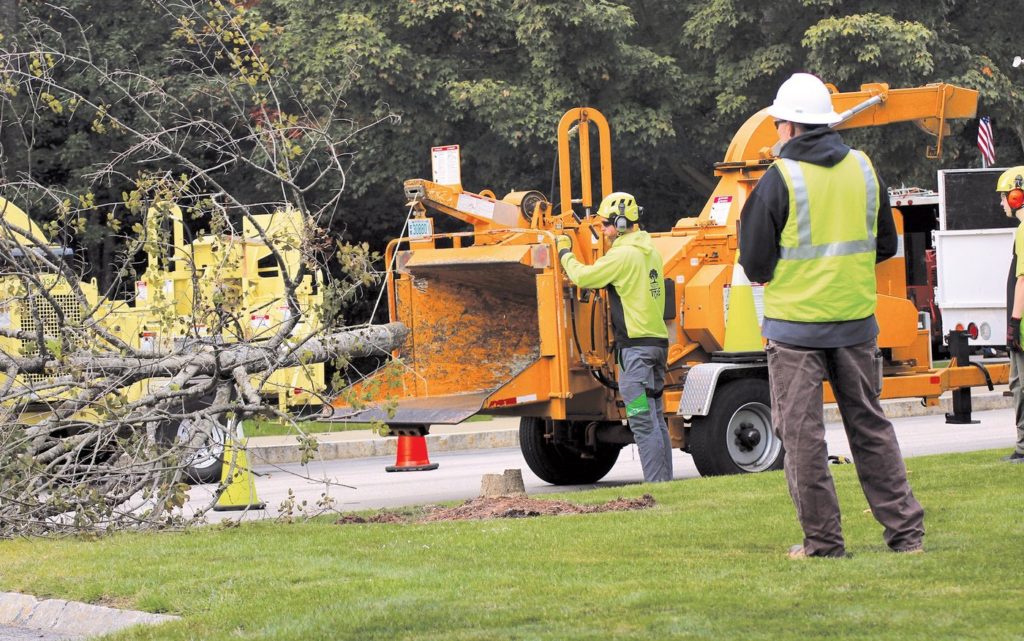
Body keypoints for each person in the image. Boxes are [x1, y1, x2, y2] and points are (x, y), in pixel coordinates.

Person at [738, 72, 924, 558]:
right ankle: (906, 537)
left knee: (802, 438)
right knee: (871, 427)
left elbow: (755, 263)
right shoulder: (863, 168)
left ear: (789, 127)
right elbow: (886, 244)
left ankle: (824, 544)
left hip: (795, 332)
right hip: (857, 325)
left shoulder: (778, 179)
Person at [556, 192, 673, 483]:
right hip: (656, 347)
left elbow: (584, 277)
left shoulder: (623, 255)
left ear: (621, 223)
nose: (604, 231)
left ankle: (658, 485)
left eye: (607, 224)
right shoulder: (650, 251)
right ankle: (666, 483)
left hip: (636, 354)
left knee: (641, 420)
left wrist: (563, 253)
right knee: (656, 418)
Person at [998, 166, 1024, 463]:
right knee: (1018, 383)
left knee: (1022, 385)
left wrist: (1014, 324)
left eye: (1005, 196)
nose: (1002, 202)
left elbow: (1022, 278)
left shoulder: (1023, 229)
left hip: (1023, 324)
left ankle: (1023, 447)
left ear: (1017, 196)